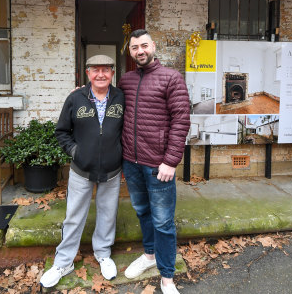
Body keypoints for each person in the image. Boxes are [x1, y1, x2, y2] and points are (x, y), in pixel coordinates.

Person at [40, 54, 125, 289]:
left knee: (108, 213)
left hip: (112, 169)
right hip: (81, 169)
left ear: (112, 73)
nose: (100, 74)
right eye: (95, 70)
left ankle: (103, 253)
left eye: (106, 70)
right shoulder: (75, 98)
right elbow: (61, 132)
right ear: (87, 73)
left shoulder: (120, 98)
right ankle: (63, 262)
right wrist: (75, 151)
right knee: (74, 216)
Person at [118, 29, 190, 294]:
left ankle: (167, 277)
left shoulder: (171, 78)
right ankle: (149, 256)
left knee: (163, 222)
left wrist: (170, 161)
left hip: (158, 165)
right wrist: (84, 92)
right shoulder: (126, 80)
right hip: (132, 162)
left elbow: (181, 120)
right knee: (142, 212)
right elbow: (108, 103)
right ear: (131, 52)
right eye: (135, 47)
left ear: (153, 46)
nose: (140, 51)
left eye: (144, 45)